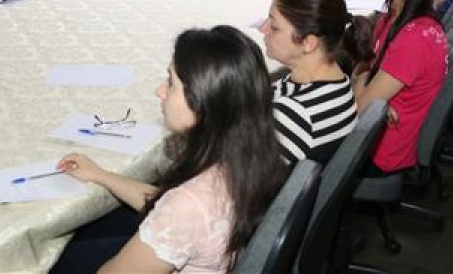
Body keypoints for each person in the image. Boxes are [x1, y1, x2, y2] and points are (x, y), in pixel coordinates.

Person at [51, 26, 287, 274]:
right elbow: (166, 204)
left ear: (202, 102)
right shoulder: (250, 158)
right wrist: (102, 175)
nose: (159, 91)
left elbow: (178, 210)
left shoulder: (188, 204)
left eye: (171, 83)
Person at [351, 0, 448, 175]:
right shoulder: (393, 18)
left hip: (378, 151)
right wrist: (368, 83)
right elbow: (364, 71)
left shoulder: (413, 37)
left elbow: (360, 107)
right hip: (377, 137)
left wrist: (366, 84)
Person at [259, 0, 359, 165]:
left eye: (274, 26)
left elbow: (238, 181)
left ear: (308, 43)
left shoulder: (295, 115)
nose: (263, 29)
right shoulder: (336, 79)